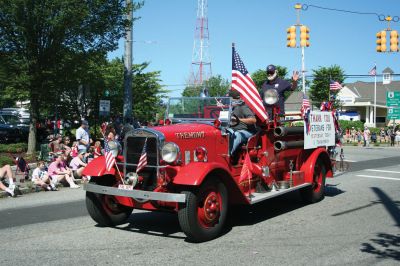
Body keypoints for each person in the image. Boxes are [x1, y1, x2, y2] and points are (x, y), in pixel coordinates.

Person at [227, 90, 257, 160]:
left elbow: (253, 120)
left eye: (229, 99)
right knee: (223, 132)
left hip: (247, 131)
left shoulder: (243, 107)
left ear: (234, 99)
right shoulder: (228, 108)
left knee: (237, 135)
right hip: (233, 129)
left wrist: (238, 119)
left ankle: (228, 155)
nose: (229, 101)